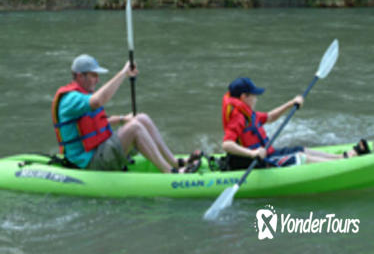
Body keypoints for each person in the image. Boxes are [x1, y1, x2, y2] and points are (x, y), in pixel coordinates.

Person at [51, 54, 201, 173]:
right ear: (79, 76)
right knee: (135, 128)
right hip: (89, 163)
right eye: (93, 75)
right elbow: (98, 101)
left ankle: (174, 161)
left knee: (141, 118)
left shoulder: (82, 96)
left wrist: (123, 119)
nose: (97, 80)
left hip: (100, 151)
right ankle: (170, 172)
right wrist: (123, 73)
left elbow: (98, 123)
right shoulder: (70, 99)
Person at [221, 77, 370, 170]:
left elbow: (270, 117)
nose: (256, 98)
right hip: (252, 162)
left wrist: (291, 103)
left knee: (301, 149)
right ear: (244, 97)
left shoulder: (248, 114)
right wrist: (252, 153)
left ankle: (341, 158)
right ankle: (344, 165)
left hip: (266, 154)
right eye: (254, 95)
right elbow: (226, 144)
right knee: (300, 157)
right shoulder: (238, 117)